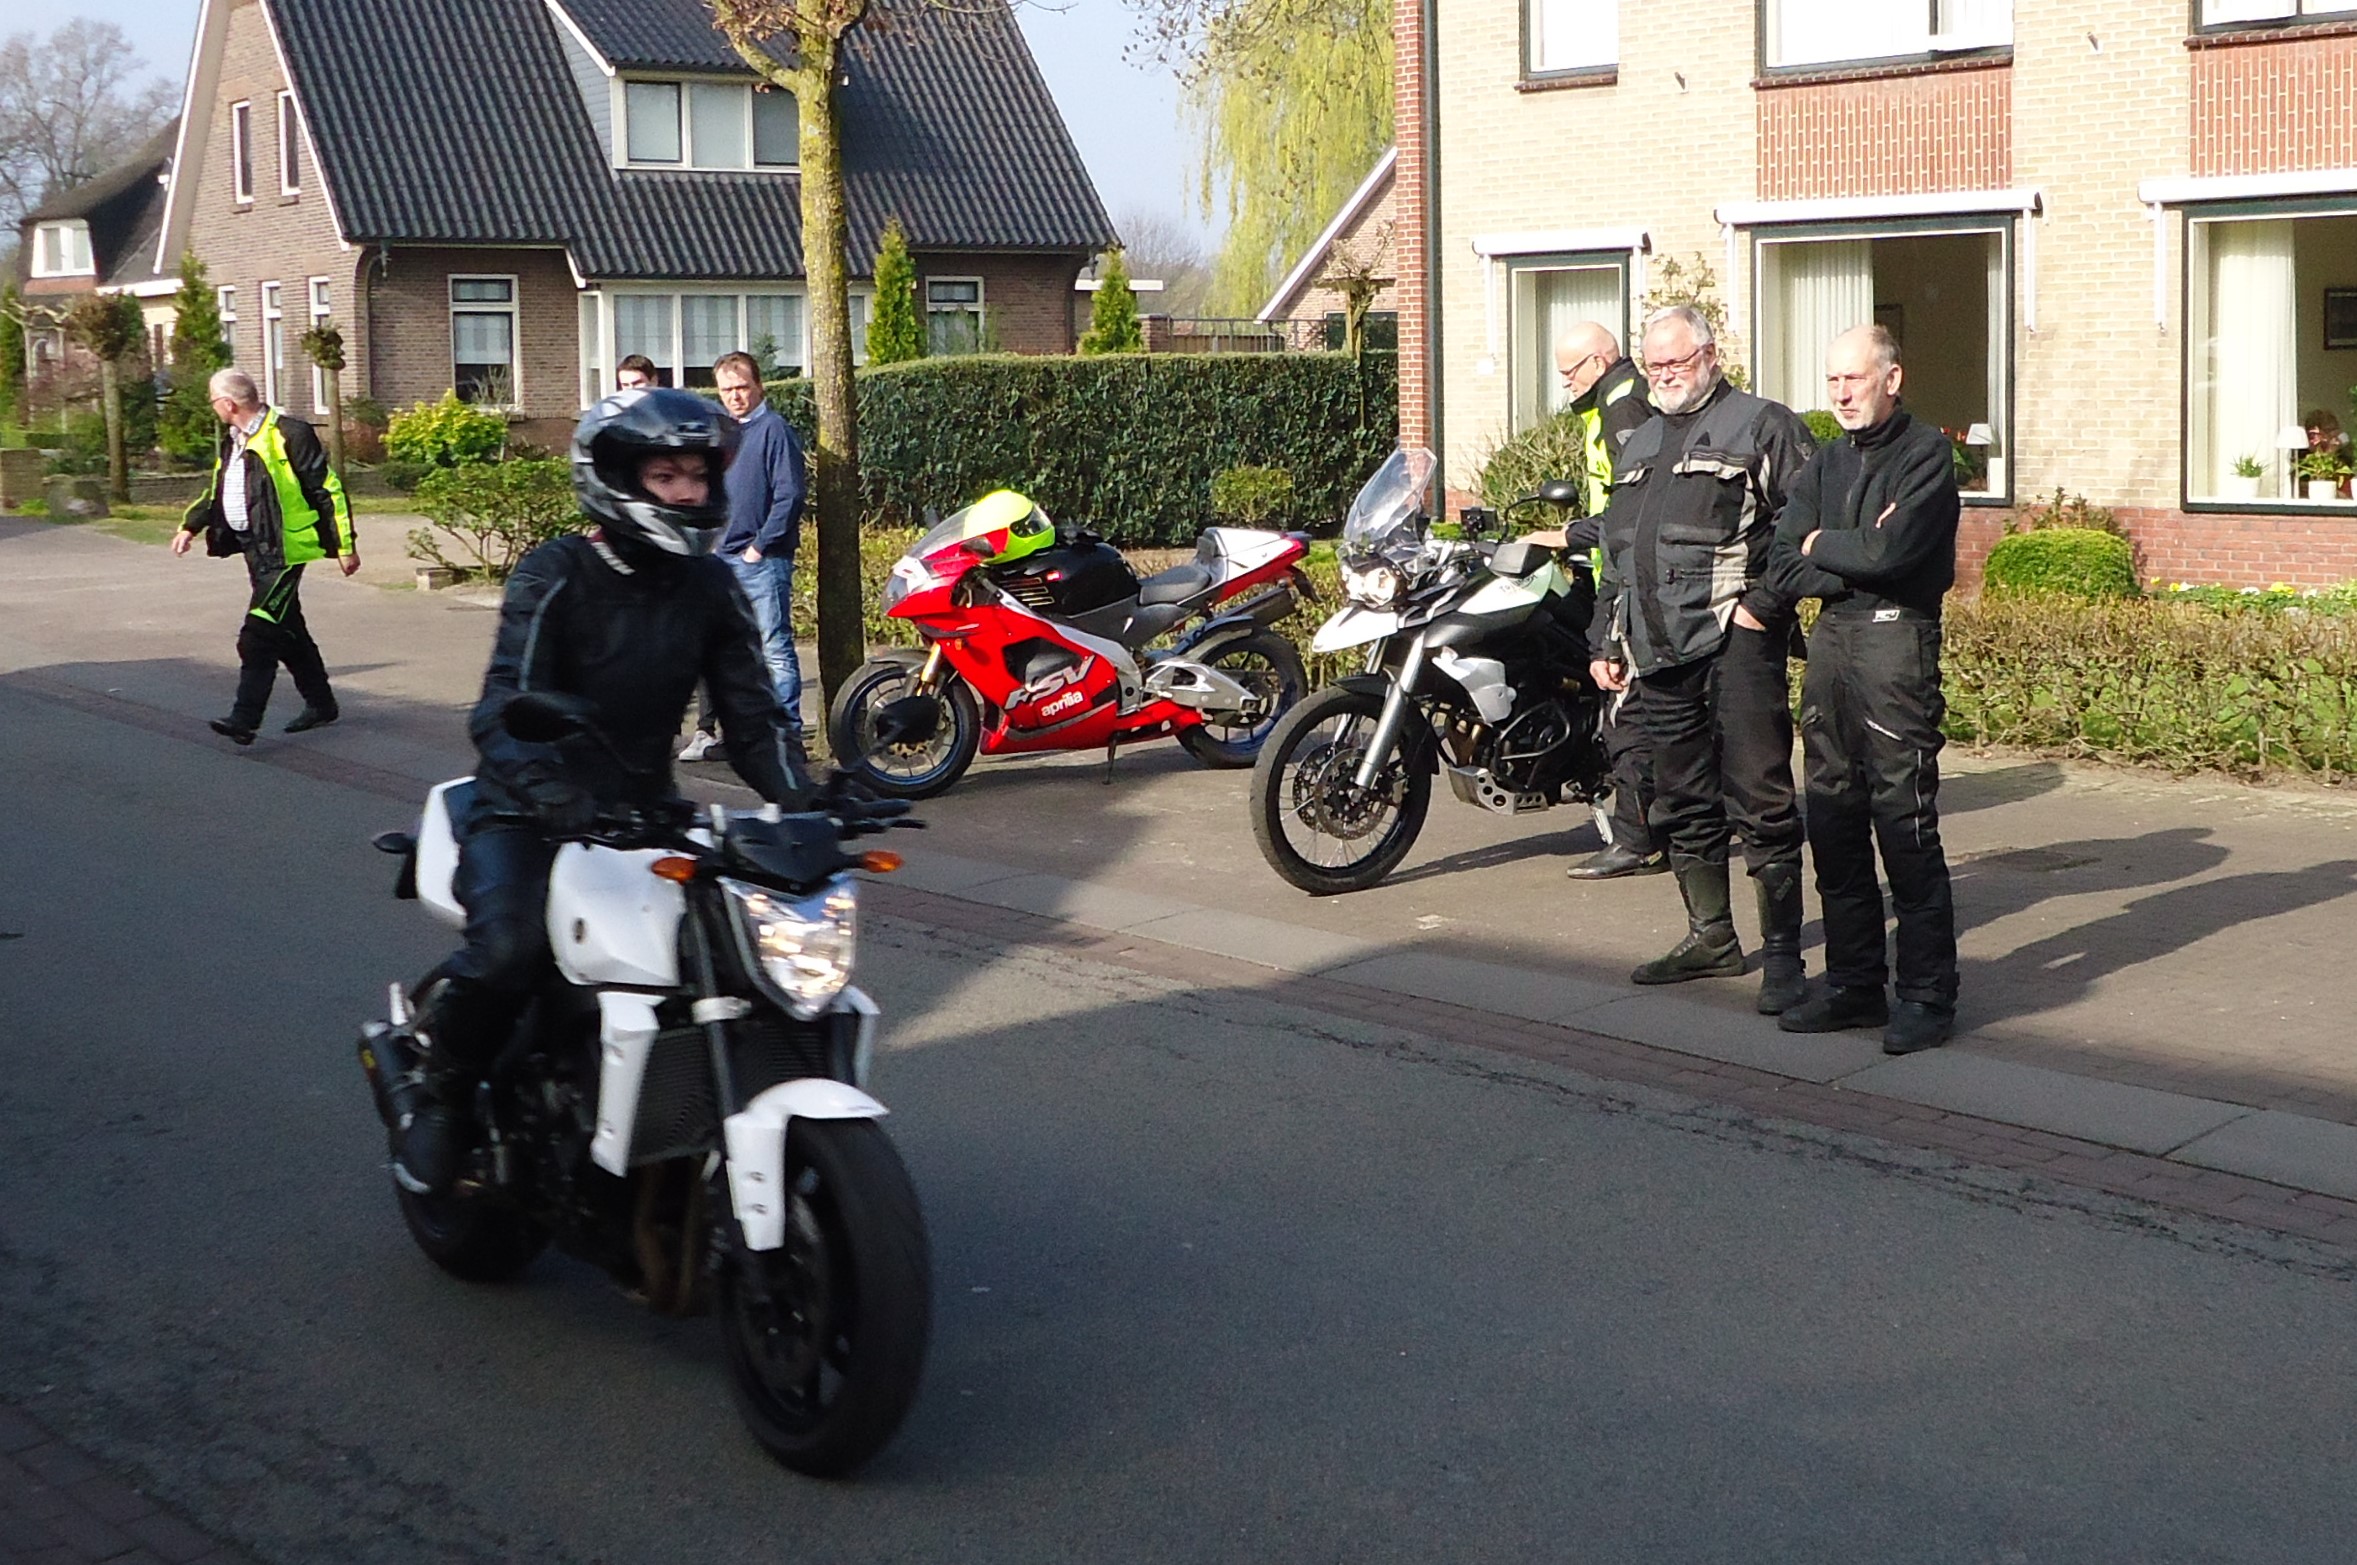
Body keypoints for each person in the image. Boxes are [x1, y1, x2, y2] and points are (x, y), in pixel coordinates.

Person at [385, 388, 813, 1193]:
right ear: (617, 480)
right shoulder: (557, 572)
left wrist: (807, 800)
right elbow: (502, 707)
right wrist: (547, 788)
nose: (687, 492)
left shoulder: (709, 587)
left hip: (645, 813)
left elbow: (753, 719)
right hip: (526, 812)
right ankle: (441, 1095)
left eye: (697, 475)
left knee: (730, 956)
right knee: (510, 951)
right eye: (665, 476)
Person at [1586, 305, 1816, 1013]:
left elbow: (1808, 523)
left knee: (1761, 798)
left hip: (1735, 643)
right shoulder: (1639, 440)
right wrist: (1605, 638)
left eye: (1676, 362)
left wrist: (1764, 606)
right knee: (1682, 799)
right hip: (1655, 650)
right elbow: (1618, 550)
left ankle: (1784, 959)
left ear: (1710, 356)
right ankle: (1710, 937)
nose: (1663, 376)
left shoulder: (1763, 424)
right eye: (1653, 365)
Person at [1760, 325, 1960, 1053]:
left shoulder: (1926, 455)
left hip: (1896, 643)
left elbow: (1892, 551)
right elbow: (1783, 559)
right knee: (1833, 822)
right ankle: (1854, 985)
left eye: (1855, 378)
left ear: (1891, 378)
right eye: (1832, 380)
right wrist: (1846, 553)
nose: (1841, 394)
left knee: (1904, 823)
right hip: (1833, 646)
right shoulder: (1825, 462)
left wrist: (1828, 544)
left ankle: (1927, 996)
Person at [170, 367, 358, 743]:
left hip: (286, 551)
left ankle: (244, 720)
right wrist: (191, 525)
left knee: (257, 635)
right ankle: (321, 704)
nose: (212, 408)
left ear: (228, 403)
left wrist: (345, 546)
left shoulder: (291, 433)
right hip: (254, 548)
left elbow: (327, 489)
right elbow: (219, 489)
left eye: (213, 401)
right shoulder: (233, 440)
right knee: (287, 630)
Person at [1554, 322, 1663, 881]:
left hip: (1630, 579)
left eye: (1570, 372)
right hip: (1616, 571)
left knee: (1625, 711)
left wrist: (1568, 535)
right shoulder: (1612, 401)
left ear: (1598, 363)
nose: (1566, 384)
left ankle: (1637, 840)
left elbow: (1635, 503)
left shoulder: (1623, 407)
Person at [679, 350, 808, 764]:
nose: (735, 396)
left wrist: (759, 546)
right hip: (721, 559)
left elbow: (790, 495)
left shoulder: (774, 430)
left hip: (761, 561)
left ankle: (787, 738)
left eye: (741, 387)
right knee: (728, 652)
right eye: (726, 390)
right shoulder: (723, 436)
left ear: (758, 387)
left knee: (774, 648)